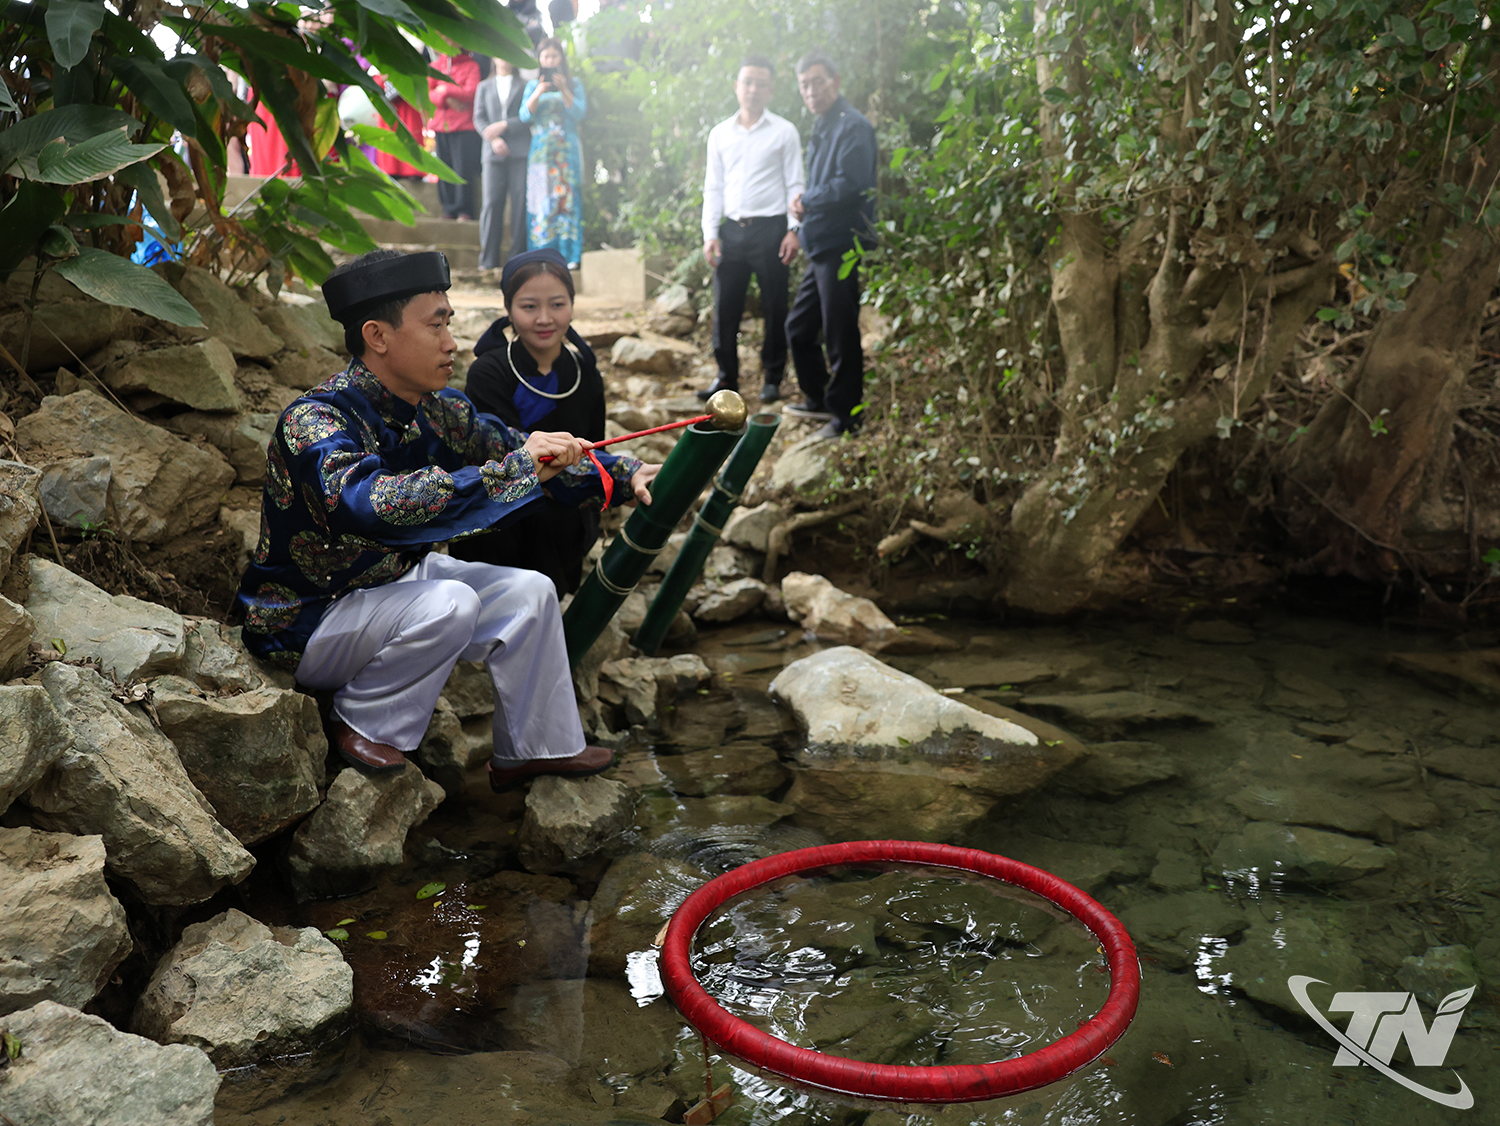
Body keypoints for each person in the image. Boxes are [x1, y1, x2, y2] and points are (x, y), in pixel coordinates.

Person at [235, 249, 659, 789]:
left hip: (394, 590)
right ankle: (362, 721)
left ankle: (535, 748)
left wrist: (626, 474)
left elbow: (515, 450)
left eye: (449, 323)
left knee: (530, 594)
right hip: (310, 620)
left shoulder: (436, 407)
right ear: (378, 336)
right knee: (451, 603)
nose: (451, 342)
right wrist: (516, 470)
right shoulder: (316, 420)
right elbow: (371, 505)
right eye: (435, 325)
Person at [451, 249, 604, 595]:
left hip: (568, 505)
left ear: (572, 305)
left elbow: (597, 448)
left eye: (558, 304)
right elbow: (498, 451)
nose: (545, 318)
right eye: (529, 306)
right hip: (503, 505)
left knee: (561, 515)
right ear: (508, 309)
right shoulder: (489, 371)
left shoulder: (586, 375)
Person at [697, 53, 805, 406]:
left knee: (776, 305)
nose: (753, 89)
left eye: (760, 83)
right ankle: (726, 377)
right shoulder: (720, 134)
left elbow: (795, 184)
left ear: (770, 89)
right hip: (732, 231)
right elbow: (713, 186)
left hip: (772, 229)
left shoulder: (784, 131)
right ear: (737, 86)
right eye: (747, 82)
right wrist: (710, 234)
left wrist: (794, 230)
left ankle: (773, 377)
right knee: (726, 306)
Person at [785, 51, 878, 441]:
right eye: (804, 84)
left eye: (818, 82)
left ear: (835, 82)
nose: (811, 91)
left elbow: (851, 184)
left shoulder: (853, 126)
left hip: (842, 243)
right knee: (799, 328)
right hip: (820, 243)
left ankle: (846, 418)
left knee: (840, 333)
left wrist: (808, 200)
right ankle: (820, 397)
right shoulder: (824, 125)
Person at [521, 37, 587, 269]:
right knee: (541, 202)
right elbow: (524, 116)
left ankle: (570, 256)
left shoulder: (574, 84)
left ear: (561, 59)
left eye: (554, 56)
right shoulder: (532, 85)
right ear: (540, 59)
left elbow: (579, 112)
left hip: (566, 156)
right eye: (546, 56)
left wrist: (564, 89)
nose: (550, 60)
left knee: (567, 201)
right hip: (540, 156)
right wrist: (538, 92)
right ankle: (540, 255)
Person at [474, 58, 533, 269]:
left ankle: (517, 259)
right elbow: (478, 118)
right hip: (492, 153)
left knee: (519, 204)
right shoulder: (484, 86)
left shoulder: (526, 85)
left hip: (520, 152)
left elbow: (528, 116)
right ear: (493, 57)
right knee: (491, 204)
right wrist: (494, 138)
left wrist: (505, 125)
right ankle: (487, 261)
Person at [429, 49, 483, 220]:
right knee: (443, 168)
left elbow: (471, 92)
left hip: (464, 126)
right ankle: (448, 209)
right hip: (440, 125)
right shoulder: (435, 66)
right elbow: (428, 92)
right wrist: (447, 98)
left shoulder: (471, 66)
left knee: (462, 169)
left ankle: (464, 210)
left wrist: (444, 89)